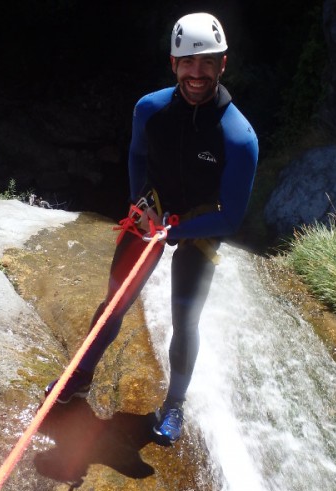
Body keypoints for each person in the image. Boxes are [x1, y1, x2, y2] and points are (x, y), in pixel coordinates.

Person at [45, 12, 258, 444]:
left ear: (223, 64)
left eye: (207, 63)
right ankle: (78, 378)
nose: (196, 73)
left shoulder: (239, 137)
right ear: (173, 63)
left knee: (184, 317)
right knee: (114, 303)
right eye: (187, 63)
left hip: (199, 221)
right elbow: (138, 157)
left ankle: (174, 404)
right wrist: (138, 201)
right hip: (154, 209)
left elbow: (231, 216)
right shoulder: (150, 109)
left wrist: (172, 233)